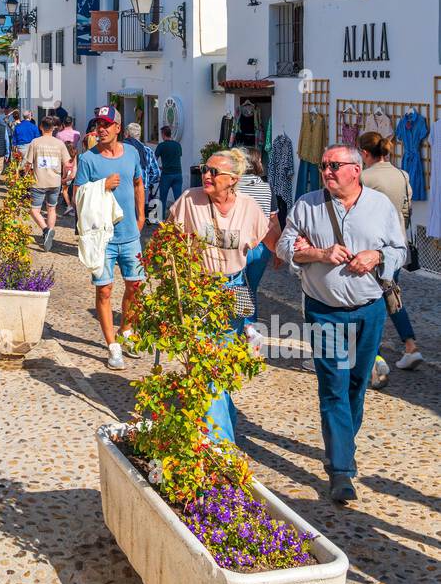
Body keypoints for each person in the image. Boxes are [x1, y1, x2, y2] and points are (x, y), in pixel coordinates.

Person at [277, 144, 407, 503]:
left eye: (334, 165)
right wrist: (319, 253)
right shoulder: (307, 204)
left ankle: (342, 448)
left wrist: (377, 256)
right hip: (324, 310)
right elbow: (284, 247)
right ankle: (341, 470)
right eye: (323, 166)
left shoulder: (380, 206)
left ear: (355, 169)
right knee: (333, 385)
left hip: (369, 309)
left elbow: (400, 250)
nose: (327, 171)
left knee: (356, 384)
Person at [169, 149, 277, 445]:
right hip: (199, 290)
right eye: (205, 169)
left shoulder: (249, 207)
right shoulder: (190, 200)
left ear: (233, 179)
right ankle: (221, 444)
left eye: (214, 172)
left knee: (221, 364)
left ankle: (221, 420)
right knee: (206, 365)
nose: (206, 175)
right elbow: (169, 236)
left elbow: (265, 239)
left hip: (234, 287)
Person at [74, 106, 145, 369]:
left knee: (135, 286)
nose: (100, 129)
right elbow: (76, 195)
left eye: (106, 124)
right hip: (102, 237)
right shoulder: (88, 160)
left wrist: (141, 217)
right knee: (104, 290)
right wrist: (101, 186)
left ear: (118, 127)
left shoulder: (132, 154)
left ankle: (126, 331)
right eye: (97, 125)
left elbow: (138, 183)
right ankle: (112, 345)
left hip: (130, 235)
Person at [359, 131, 422, 372]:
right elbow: (406, 211)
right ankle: (410, 345)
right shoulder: (402, 175)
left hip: (371, 248)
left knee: (369, 301)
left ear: (365, 153)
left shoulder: (364, 178)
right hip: (397, 247)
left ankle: (373, 357)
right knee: (391, 294)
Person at [238, 148, 282, 326]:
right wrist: (278, 250)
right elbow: (274, 220)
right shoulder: (266, 187)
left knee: (237, 288)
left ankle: (240, 329)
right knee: (251, 288)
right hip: (261, 247)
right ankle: (250, 328)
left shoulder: (232, 185)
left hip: (238, 246)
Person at [27, 115, 71, 250]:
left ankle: (46, 230)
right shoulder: (59, 144)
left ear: (41, 127)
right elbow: (67, 164)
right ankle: (48, 233)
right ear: (53, 128)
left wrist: (25, 174)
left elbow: (28, 163)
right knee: (52, 209)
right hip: (55, 181)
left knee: (34, 210)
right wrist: (64, 177)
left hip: (39, 181)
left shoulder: (35, 142)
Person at [124, 122, 160, 213]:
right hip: (142, 190)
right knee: (140, 217)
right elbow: (156, 173)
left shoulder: (122, 149)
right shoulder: (147, 150)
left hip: (126, 189)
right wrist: (147, 182)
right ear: (139, 135)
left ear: (127, 134)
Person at [56, 115, 81, 215]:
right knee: (73, 181)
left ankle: (66, 202)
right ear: (72, 123)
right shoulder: (77, 133)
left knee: (64, 180)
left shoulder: (59, 134)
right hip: (73, 156)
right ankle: (72, 201)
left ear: (63, 123)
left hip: (63, 158)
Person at [155, 126, 183, 212]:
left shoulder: (161, 146)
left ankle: (162, 220)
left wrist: (159, 168)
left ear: (163, 134)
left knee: (162, 199)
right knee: (178, 199)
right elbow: (177, 157)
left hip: (166, 175)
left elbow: (154, 160)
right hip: (178, 174)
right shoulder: (178, 145)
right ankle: (179, 219)